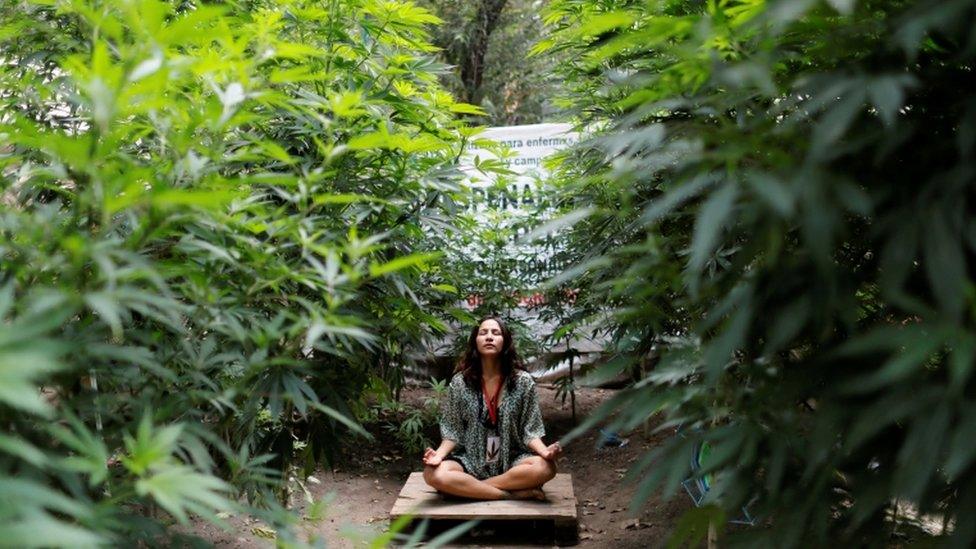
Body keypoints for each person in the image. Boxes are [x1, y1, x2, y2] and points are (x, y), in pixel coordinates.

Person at [422, 316, 562, 500]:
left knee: (547, 468)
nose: (489, 337)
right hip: (470, 460)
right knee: (432, 474)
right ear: (475, 342)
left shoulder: (523, 382)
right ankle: (511, 494)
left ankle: (470, 489)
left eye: (496, 333)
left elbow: (531, 430)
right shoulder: (460, 383)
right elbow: (452, 431)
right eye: (483, 333)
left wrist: (545, 452)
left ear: (505, 342)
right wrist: (438, 456)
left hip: (511, 461)